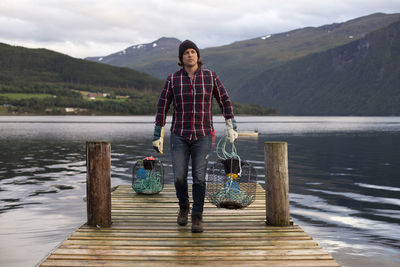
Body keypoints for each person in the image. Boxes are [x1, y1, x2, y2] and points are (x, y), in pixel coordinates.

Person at [152, 40, 238, 233]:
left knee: (199, 177)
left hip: (203, 135)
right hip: (179, 135)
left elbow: (224, 100)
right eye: (186, 53)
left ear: (198, 56)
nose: (190, 55)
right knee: (179, 178)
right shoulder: (173, 79)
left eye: (193, 52)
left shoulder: (211, 77)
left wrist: (231, 124)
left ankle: (197, 216)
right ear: (181, 59)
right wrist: (158, 133)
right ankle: (184, 207)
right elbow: (162, 106)